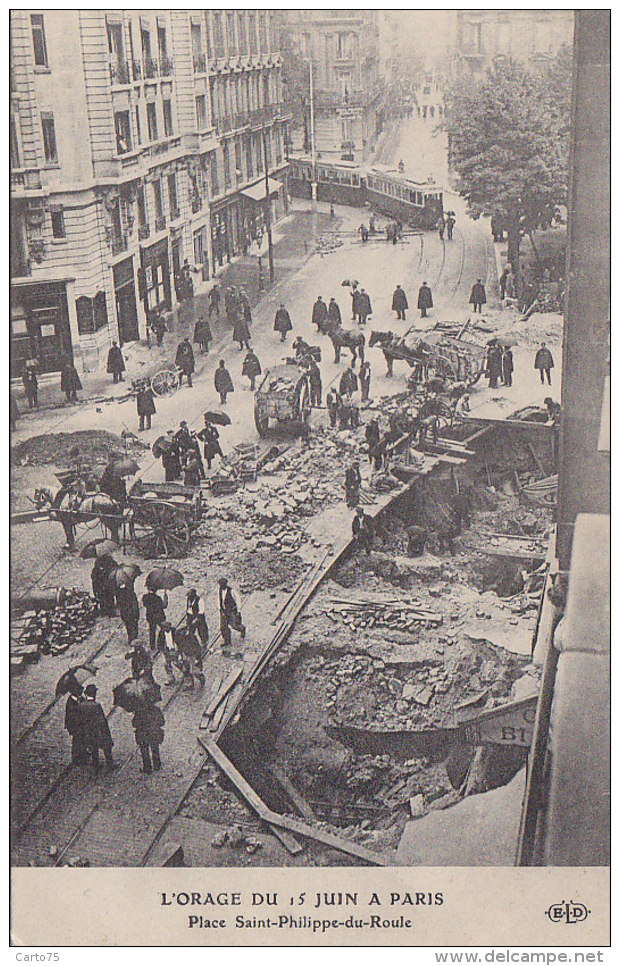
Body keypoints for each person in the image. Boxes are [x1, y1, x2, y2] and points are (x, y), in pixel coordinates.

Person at [78, 684, 115, 770]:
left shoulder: (81, 705)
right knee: (106, 745)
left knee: (94, 748)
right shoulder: (96, 706)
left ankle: (96, 764)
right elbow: (102, 720)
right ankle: (110, 764)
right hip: (97, 731)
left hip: (88, 731)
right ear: (94, 694)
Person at [132, 701, 165, 774]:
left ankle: (147, 768)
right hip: (154, 733)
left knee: (144, 751)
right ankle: (157, 765)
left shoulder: (139, 711)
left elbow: (134, 724)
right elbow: (162, 722)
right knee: (155, 749)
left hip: (142, 735)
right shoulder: (156, 710)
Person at [218, 578, 245, 650]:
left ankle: (242, 629)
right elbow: (220, 600)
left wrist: (238, 611)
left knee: (234, 625)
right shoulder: (220, 590)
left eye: (222, 584)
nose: (221, 586)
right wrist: (220, 609)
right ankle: (227, 641)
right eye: (220, 585)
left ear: (225, 584)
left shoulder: (232, 591)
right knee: (223, 627)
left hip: (232, 611)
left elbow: (238, 600)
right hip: (224, 611)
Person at [65, 686, 86, 763]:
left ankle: (83, 754)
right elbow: (71, 716)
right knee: (76, 740)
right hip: (74, 725)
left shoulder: (81, 699)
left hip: (82, 724)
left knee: (83, 739)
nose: (82, 692)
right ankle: (75, 758)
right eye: (80, 690)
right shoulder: (70, 702)